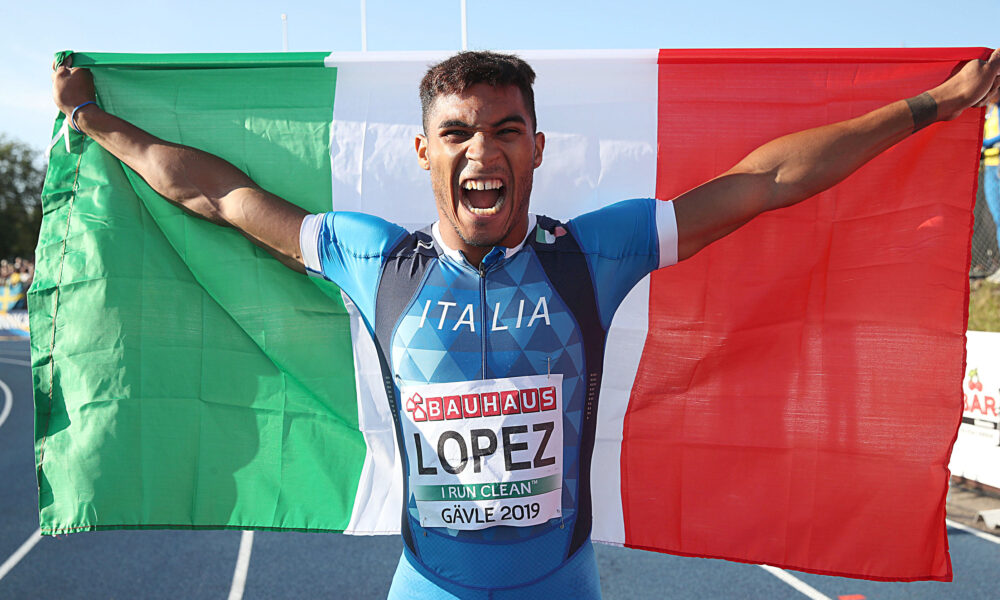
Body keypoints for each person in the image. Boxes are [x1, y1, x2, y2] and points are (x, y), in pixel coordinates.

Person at [52, 49, 1000, 599]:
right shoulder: (375, 259)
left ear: (536, 148)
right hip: (427, 585)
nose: (483, 149)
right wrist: (95, 122)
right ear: (423, 151)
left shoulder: (593, 254)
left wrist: (933, 105)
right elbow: (218, 196)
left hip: (561, 584)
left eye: (506, 129)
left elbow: (767, 181)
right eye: (458, 132)